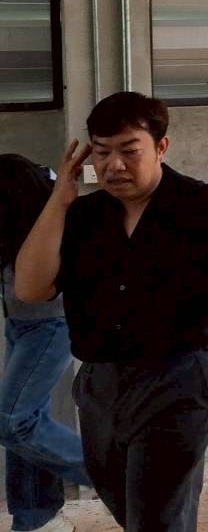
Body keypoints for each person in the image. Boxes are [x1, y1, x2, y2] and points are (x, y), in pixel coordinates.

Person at [14, 92, 208, 532]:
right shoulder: (83, 216)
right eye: (102, 153)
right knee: (125, 503)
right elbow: (30, 288)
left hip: (179, 378)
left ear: (161, 147)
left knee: (158, 517)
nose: (114, 165)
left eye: (128, 151)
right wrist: (58, 200)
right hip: (101, 382)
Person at [0, 155, 93, 532]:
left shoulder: (49, 215)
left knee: (13, 421)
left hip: (53, 325)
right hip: (20, 324)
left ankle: (119, 475)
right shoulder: (19, 203)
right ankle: (38, 518)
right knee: (28, 419)